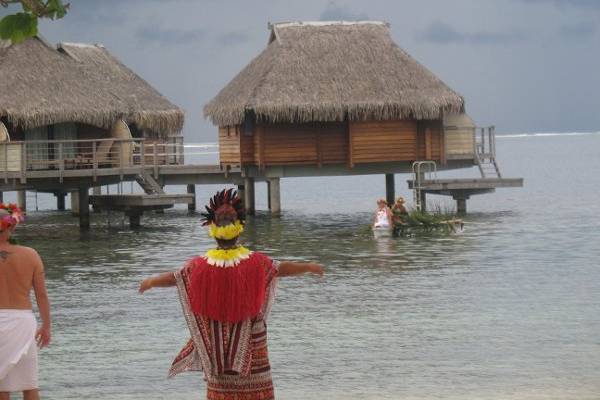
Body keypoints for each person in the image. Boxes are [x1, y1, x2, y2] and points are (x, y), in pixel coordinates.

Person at [139, 189, 323, 400]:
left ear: (212, 227)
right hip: (252, 339)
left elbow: (175, 278)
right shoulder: (256, 262)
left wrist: (151, 282)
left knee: (222, 393)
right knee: (257, 391)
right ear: (239, 228)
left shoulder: (200, 266)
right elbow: (281, 269)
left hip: (217, 344)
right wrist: (308, 266)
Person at [0, 204, 51, 400]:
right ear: (13, 227)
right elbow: (41, 295)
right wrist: (46, 326)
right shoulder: (31, 255)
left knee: (1, 386)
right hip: (22, 322)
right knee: (29, 383)